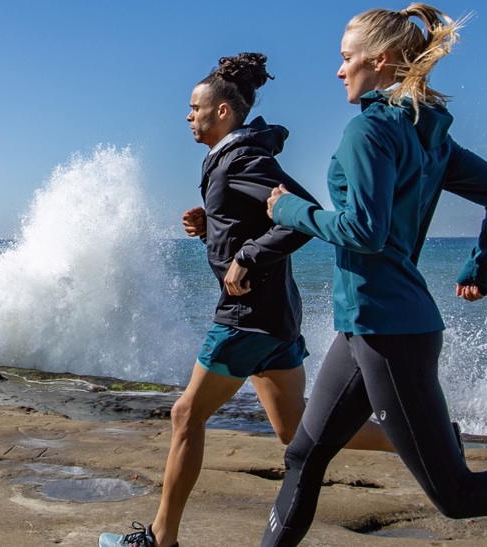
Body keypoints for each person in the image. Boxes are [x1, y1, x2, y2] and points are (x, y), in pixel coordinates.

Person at [260, 5, 487, 545]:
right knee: (303, 455)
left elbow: (365, 232)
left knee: (455, 495)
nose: (339, 71)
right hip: (364, 326)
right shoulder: (427, 135)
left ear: (380, 60)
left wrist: (288, 210)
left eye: (346, 58)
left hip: (390, 333)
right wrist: (479, 267)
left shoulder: (370, 132)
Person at [98, 53, 394, 547]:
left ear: (222, 112)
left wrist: (250, 256)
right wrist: (210, 225)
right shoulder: (231, 160)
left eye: (195, 107)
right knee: (294, 426)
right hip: (275, 318)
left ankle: (159, 539)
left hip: (245, 319)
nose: (187, 116)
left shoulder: (242, 158)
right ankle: (425, 441)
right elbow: (251, 219)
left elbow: (302, 215)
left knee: (185, 415)